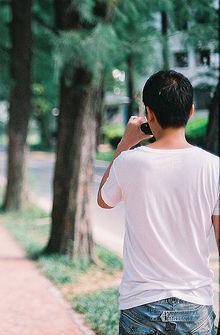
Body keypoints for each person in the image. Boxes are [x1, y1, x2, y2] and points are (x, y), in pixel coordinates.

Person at [97, 70, 219, 334]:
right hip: (195, 305)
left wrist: (125, 144)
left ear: (149, 114)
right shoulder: (214, 168)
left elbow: (104, 200)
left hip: (140, 305)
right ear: (190, 112)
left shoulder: (128, 162)